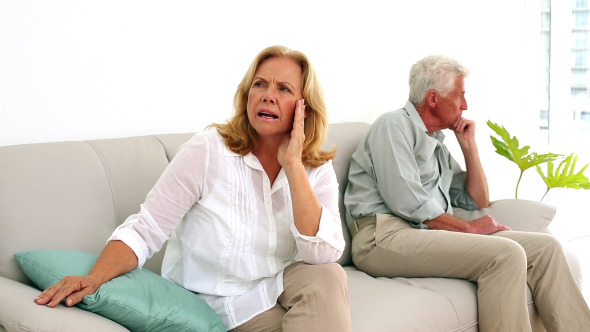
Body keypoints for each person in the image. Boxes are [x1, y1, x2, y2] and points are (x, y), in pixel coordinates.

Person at [35, 45, 351, 332]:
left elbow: (323, 254)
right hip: (217, 308)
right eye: (260, 84)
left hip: (277, 293)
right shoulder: (209, 150)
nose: (268, 95)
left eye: (284, 89)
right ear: (247, 95)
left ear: (304, 108)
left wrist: (293, 166)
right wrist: (93, 278)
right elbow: (147, 228)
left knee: (328, 276)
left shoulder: (314, 166)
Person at [344, 54, 590, 331]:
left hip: (423, 234)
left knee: (548, 248)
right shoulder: (393, 125)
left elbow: (476, 199)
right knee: (506, 254)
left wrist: (468, 145)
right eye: (460, 95)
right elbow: (406, 201)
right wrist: (469, 228)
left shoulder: (436, 144)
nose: (465, 105)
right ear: (434, 98)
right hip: (382, 237)